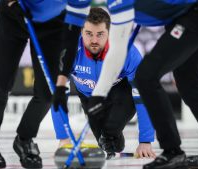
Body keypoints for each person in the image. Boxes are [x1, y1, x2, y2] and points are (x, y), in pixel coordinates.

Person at [53, 0, 198, 169]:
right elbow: (115, 46)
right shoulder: (112, 5)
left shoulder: (119, 3)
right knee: (189, 85)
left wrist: (99, 94)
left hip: (194, 14)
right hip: (181, 19)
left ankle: (172, 151)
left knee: (146, 76)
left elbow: (117, 51)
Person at [0, 0, 88, 168]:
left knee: (48, 91)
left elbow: (72, 38)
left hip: (52, 22)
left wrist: (61, 81)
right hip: (15, 13)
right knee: (2, 83)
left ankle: (24, 139)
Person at [52, 7, 155, 159]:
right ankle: (111, 138)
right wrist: (63, 139)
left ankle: (111, 131)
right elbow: (58, 97)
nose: (94, 40)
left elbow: (144, 97)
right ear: (81, 31)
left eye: (100, 34)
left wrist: (145, 141)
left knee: (110, 130)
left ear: (109, 33)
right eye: (89, 34)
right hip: (89, 97)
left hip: (119, 93)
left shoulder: (127, 52)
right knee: (110, 145)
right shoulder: (68, 52)